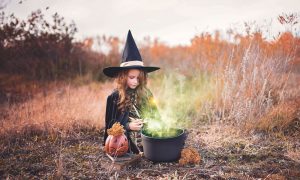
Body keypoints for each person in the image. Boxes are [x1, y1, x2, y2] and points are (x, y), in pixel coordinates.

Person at [102, 30, 160, 154]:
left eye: (138, 78)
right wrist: (128, 126)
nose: (135, 82)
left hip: (149, 141)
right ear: (123, 77)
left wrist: (148, 121)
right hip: (126, 145)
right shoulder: (114, 97)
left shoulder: (146, 93)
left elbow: (156, 116)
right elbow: (110, 126)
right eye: (131, 77)